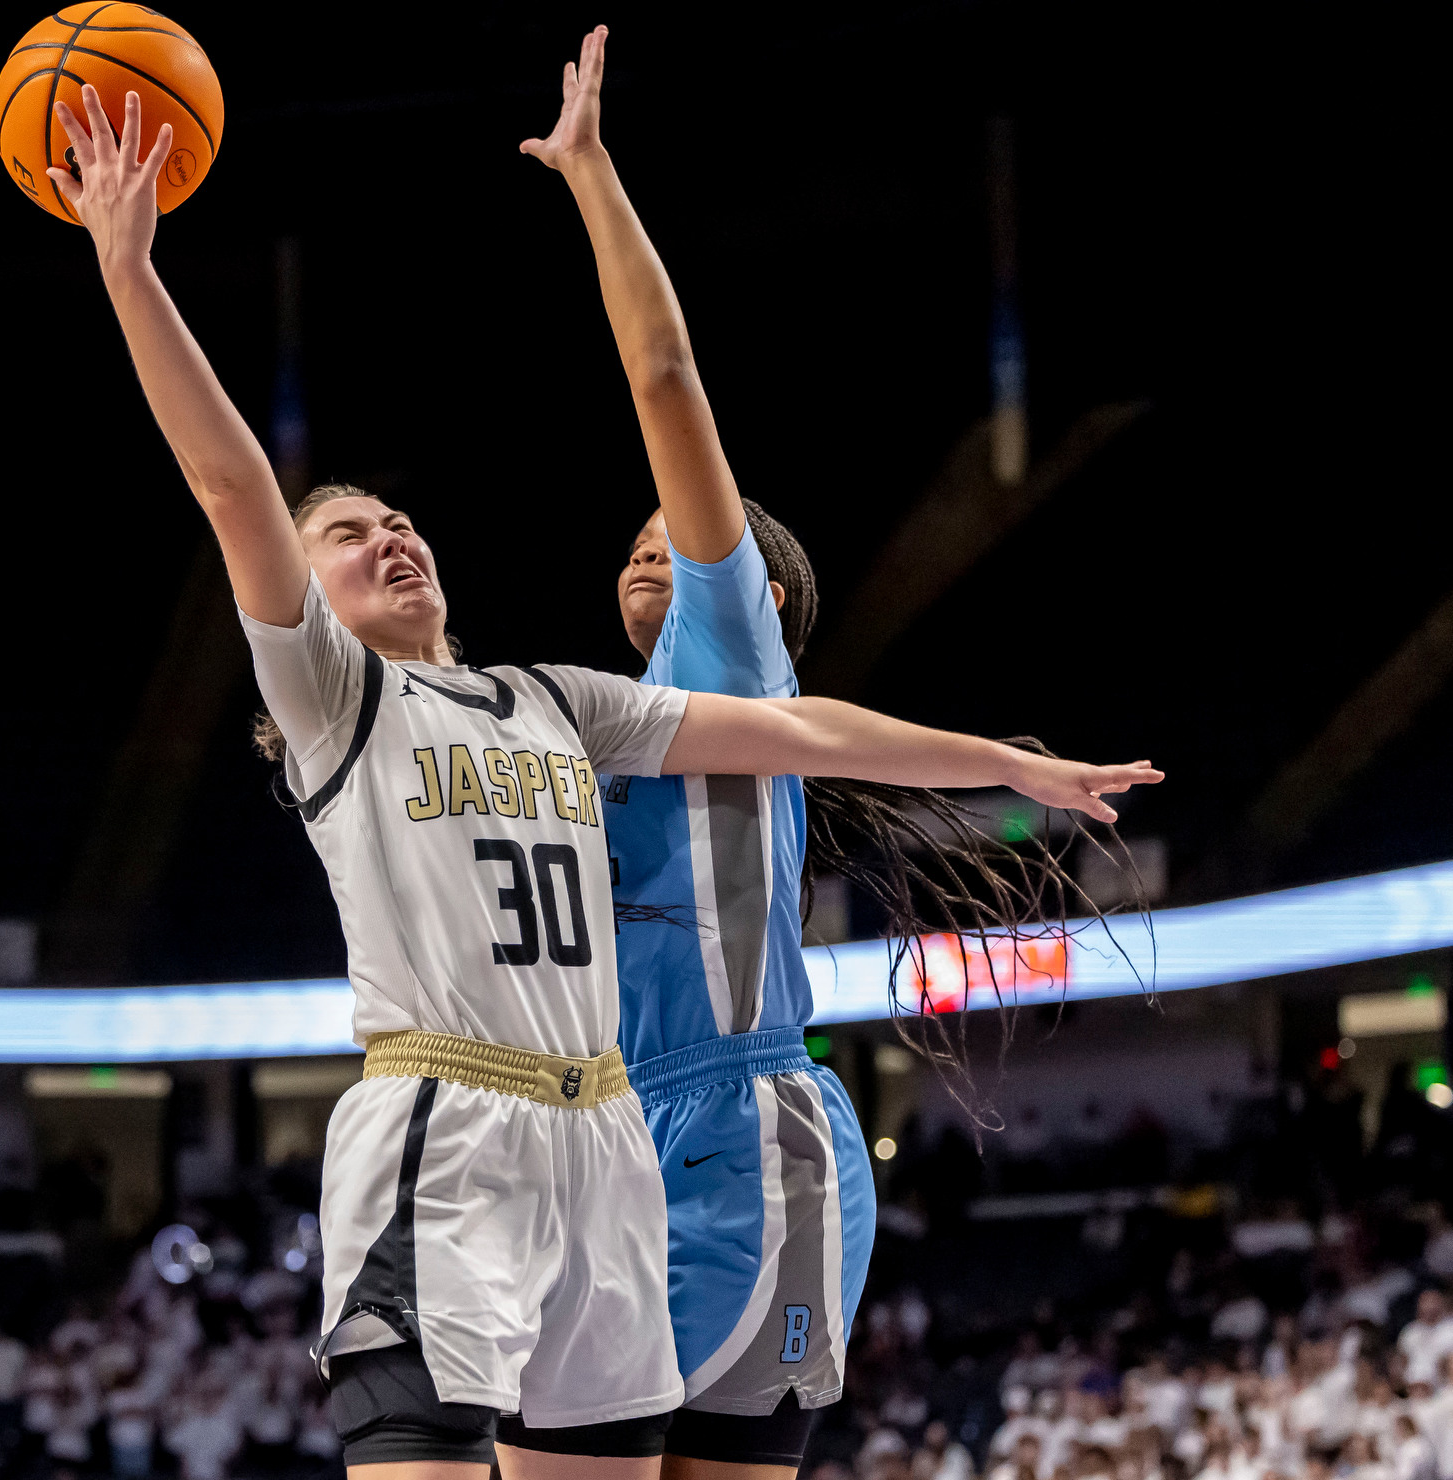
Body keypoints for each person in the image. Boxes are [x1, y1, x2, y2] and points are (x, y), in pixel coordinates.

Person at [46, 75, 1159, 1480]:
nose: (390, 534)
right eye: (351, 531)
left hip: (618, 1136)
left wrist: (1005, 767)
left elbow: (802, 731)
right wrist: (131, 270)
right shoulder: (340, 691)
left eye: (402, 520)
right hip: (468, 1115)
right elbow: (230, 490)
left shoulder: (565, 706)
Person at [526, 26, 1153, 1480]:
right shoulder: (625, 724)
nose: (648, 550)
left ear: (762, 599)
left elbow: (666, 376)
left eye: (667, 544)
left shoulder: (725, 645)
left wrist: (592, 180)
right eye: (631, 545)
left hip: (744, 1132)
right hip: (617, 1134)